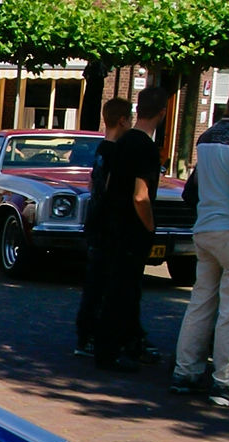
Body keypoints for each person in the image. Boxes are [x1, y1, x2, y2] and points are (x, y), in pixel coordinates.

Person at [94, 86, 169, 373]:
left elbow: (111, 183)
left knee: (113, 287)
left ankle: (116, 344)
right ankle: (113, 350)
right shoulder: (148, 149)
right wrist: (150, 226)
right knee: (125, 289)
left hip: (111, 223)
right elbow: (141, 195)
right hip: (131, 229)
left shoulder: (122, 142)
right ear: (161, 113)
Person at [169, 103, 229, 405]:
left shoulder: (207, 137)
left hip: (205, 229)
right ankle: (225, 382)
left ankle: (186, 372)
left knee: (201, 302)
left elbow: (190, 192)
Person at [74, 97, 133, 359]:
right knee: (103, 283)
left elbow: (93, 185)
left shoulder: (100, 150)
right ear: (123, 120)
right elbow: (108, 188)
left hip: (94, 222)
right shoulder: (116, 152)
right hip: (108, 225)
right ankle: (95, 337)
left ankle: (84, 336)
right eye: (129, 118)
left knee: (92, 283)